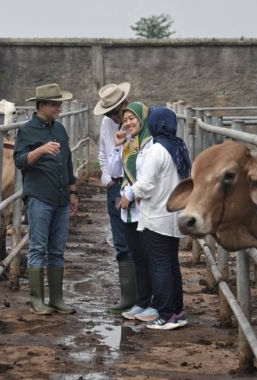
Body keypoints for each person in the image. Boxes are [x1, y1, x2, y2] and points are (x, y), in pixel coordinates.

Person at [14, 83, 78, 315]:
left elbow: (68, 161)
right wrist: (40, 150)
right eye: (54, 104)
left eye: (59, 103)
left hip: (61, 196)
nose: (59, 107)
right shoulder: (27, 130)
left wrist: (73, 192)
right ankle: (36, 299)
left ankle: (57, 299)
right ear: (41, 106)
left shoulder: (59, 129)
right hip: (40, 195)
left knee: (57, 249)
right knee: (38, 247)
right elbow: (20, 161)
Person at [129, 107, 191, 330]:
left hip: (156, 215)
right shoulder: (179, 146)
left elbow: (145, 185)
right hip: (174, 215)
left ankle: (165, 314)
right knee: (171, 264)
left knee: (161, 265)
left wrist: (131, 194)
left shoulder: (156, 149)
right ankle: (177, 311)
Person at [109, 102, 158, 322]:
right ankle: (142, 301)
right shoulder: (129, 144)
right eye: (125, 120)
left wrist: (129, 195)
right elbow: (113, 172)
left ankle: (156, 303)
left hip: (144, 208)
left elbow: (147, 177)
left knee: (150, 258)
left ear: (142, 119)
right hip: (129, 212)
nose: (128, 123)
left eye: (132, 119)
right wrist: (118, 146)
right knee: (138, 257)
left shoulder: (151, 144)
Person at [93, 82, 136, 314]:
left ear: (124, 104)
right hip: (116, 183)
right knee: (121, 242)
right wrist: (107, 177)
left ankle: (144, 297)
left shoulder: (137, 121)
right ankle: (128, 297)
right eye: (109, 112)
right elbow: (102, 151)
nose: (114, 116)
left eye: (116, 110)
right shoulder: (106, 123)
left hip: (135, 183)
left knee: (140, 238)